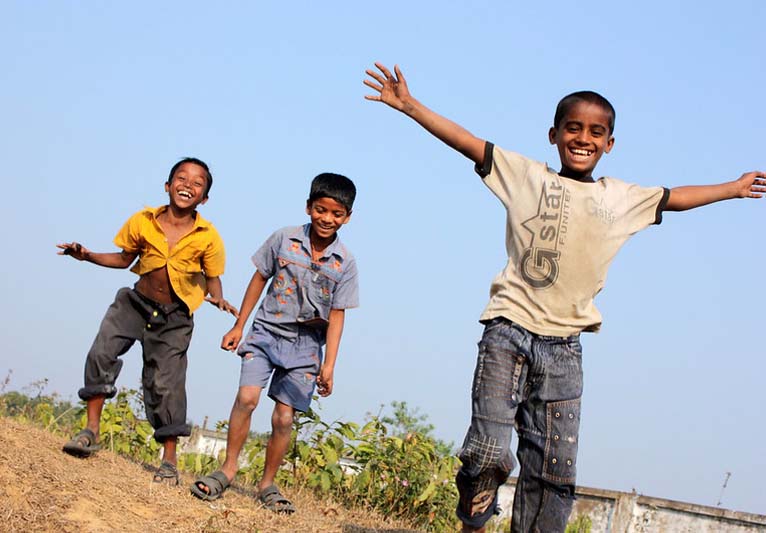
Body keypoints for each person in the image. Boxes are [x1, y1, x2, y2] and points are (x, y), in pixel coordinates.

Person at [363, 62, 764, 533]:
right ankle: (473, 518)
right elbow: (466, 140)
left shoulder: (621, 198)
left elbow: (675, 197)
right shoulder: (525, 175)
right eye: (573, 128)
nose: (584, 138)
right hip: (507, 333)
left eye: (596, 132)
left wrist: (733, 189)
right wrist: (410, 106)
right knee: (488, 452)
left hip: (564, 350)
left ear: (609, 144)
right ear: (554, 134)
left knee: (554, 471)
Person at [57, 157, 237, 485]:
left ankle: (168, 461)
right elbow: (124, 258)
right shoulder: (143, 221)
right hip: (135, 303)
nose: (188, 185)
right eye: (181, 178)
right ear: (167, 186)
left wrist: (217, 296)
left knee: (166, 384)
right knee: (102, 352)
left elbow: (213, 277)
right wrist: (87, 255)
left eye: (198, 184)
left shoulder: (208, 236)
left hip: (175, 318)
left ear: (205, 199)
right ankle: (91, 430)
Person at [190, 173, 359, 514]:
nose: (327, 219)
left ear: (347, 217)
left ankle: (267, 483)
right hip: (266, 332)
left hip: (307, 346)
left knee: (283, 418)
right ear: (309, 207)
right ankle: (228, 468)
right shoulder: (284, 239)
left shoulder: (346, 262)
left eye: (336, 214)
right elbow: (259, 279)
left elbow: (338, 316)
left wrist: (329, 365)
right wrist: (240, 325)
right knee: (247, 398)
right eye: (321, 210)